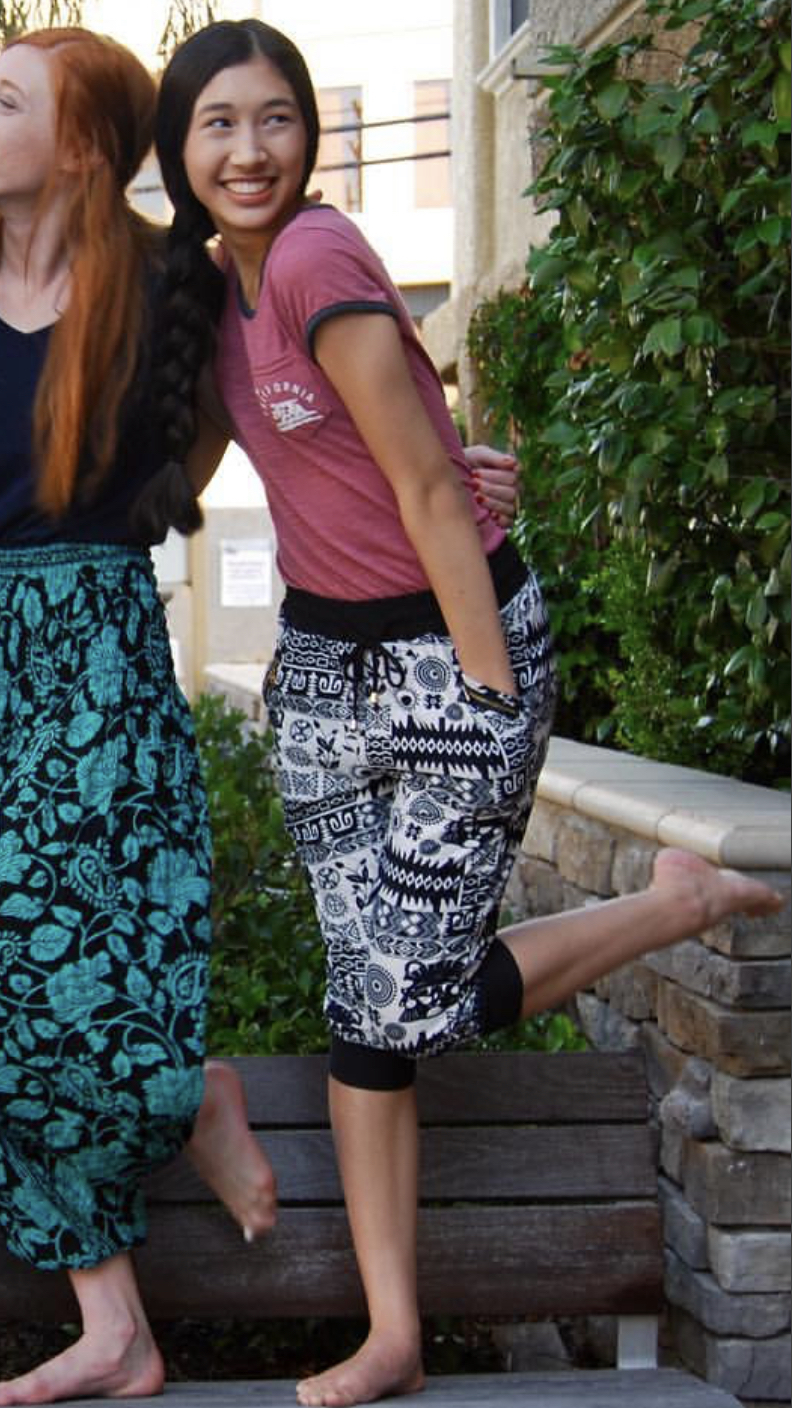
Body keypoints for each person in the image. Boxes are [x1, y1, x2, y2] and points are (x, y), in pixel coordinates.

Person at [146, 20, 785, 1408]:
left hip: (449, 648)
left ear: (309, 131)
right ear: (177, 151)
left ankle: (670, 905)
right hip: (322, 666)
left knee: (407, 999)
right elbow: (180, 483)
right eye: (218, 125)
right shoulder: (212, 293)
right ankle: (393, 1334)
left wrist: (489, 693)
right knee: (366, 1012)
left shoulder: (312, 259)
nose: (250, 151)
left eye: (274, 118)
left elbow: (432, 494)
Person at [0, 27, 278, 1407]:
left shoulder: (176, 284)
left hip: (100, 669)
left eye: (3, 102)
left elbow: (280, 423)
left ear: (82, 146)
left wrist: (455, 480)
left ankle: (186, 1099)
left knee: (94, 978)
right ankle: (117, 1324)